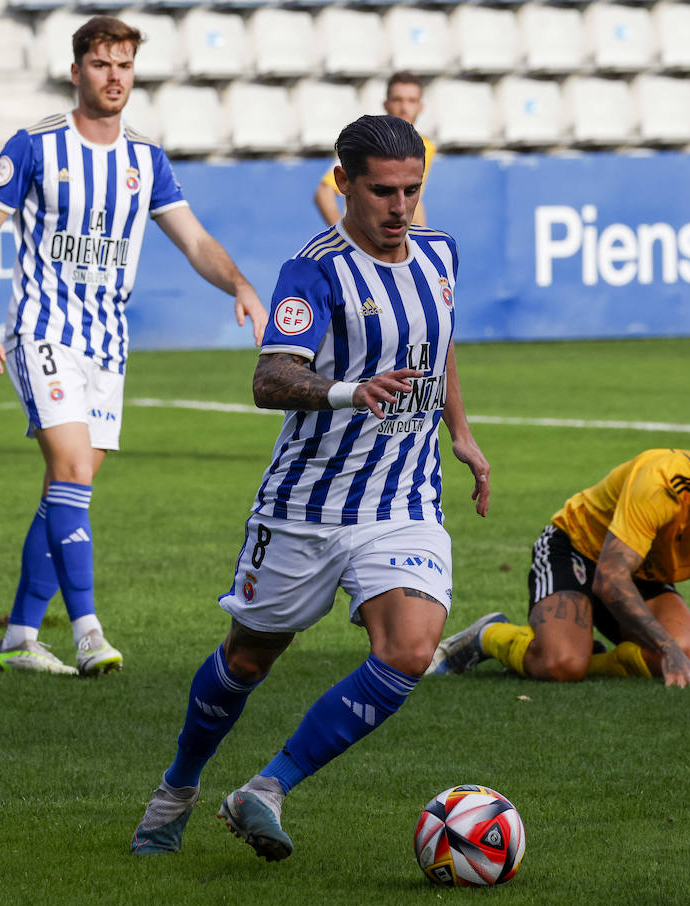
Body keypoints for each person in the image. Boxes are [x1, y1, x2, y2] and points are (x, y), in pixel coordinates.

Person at [129, 114, 490, 859]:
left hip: (404, 500)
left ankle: (266, 787)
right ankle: (179, 786)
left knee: (410, 651)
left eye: (412, 190)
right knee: (248, 661)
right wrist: (348, 392)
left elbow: (440, 343)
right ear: (344, 184)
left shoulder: (440, 253)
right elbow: (270, 378)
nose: (400, 208)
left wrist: (460, 431)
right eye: (383, 191)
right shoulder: (314, 271)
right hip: (307, 504)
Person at [0, 15, 268, 678]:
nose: (114, 76)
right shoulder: (36, 146)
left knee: (67, 486)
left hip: (107, 343)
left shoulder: (145, 160)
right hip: (42, 331)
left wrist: (238, 284)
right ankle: (90, 631)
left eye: (124, 64)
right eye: (101, 64)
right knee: (71, 470)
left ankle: (18, 638)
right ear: (77, 72)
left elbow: (195, 241)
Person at [428, 407, 690, 688]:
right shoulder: (664, 481)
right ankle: (488, 636)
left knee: (682, 648)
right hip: (575, 547)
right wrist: (666, 649)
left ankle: (584, 652)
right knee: (562, 665)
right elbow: (609, 579)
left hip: (638, 569)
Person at [313, 71, 436, 228]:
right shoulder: (367, 142)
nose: (404, 107)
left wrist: (421, 237)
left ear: (420, 107)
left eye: (411, 101)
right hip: (371, 240)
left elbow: (413, 197)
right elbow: (323, 193)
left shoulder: (426, 146)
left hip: (402, 244)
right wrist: (344, 239)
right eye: (398, 100)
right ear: (386, 104)